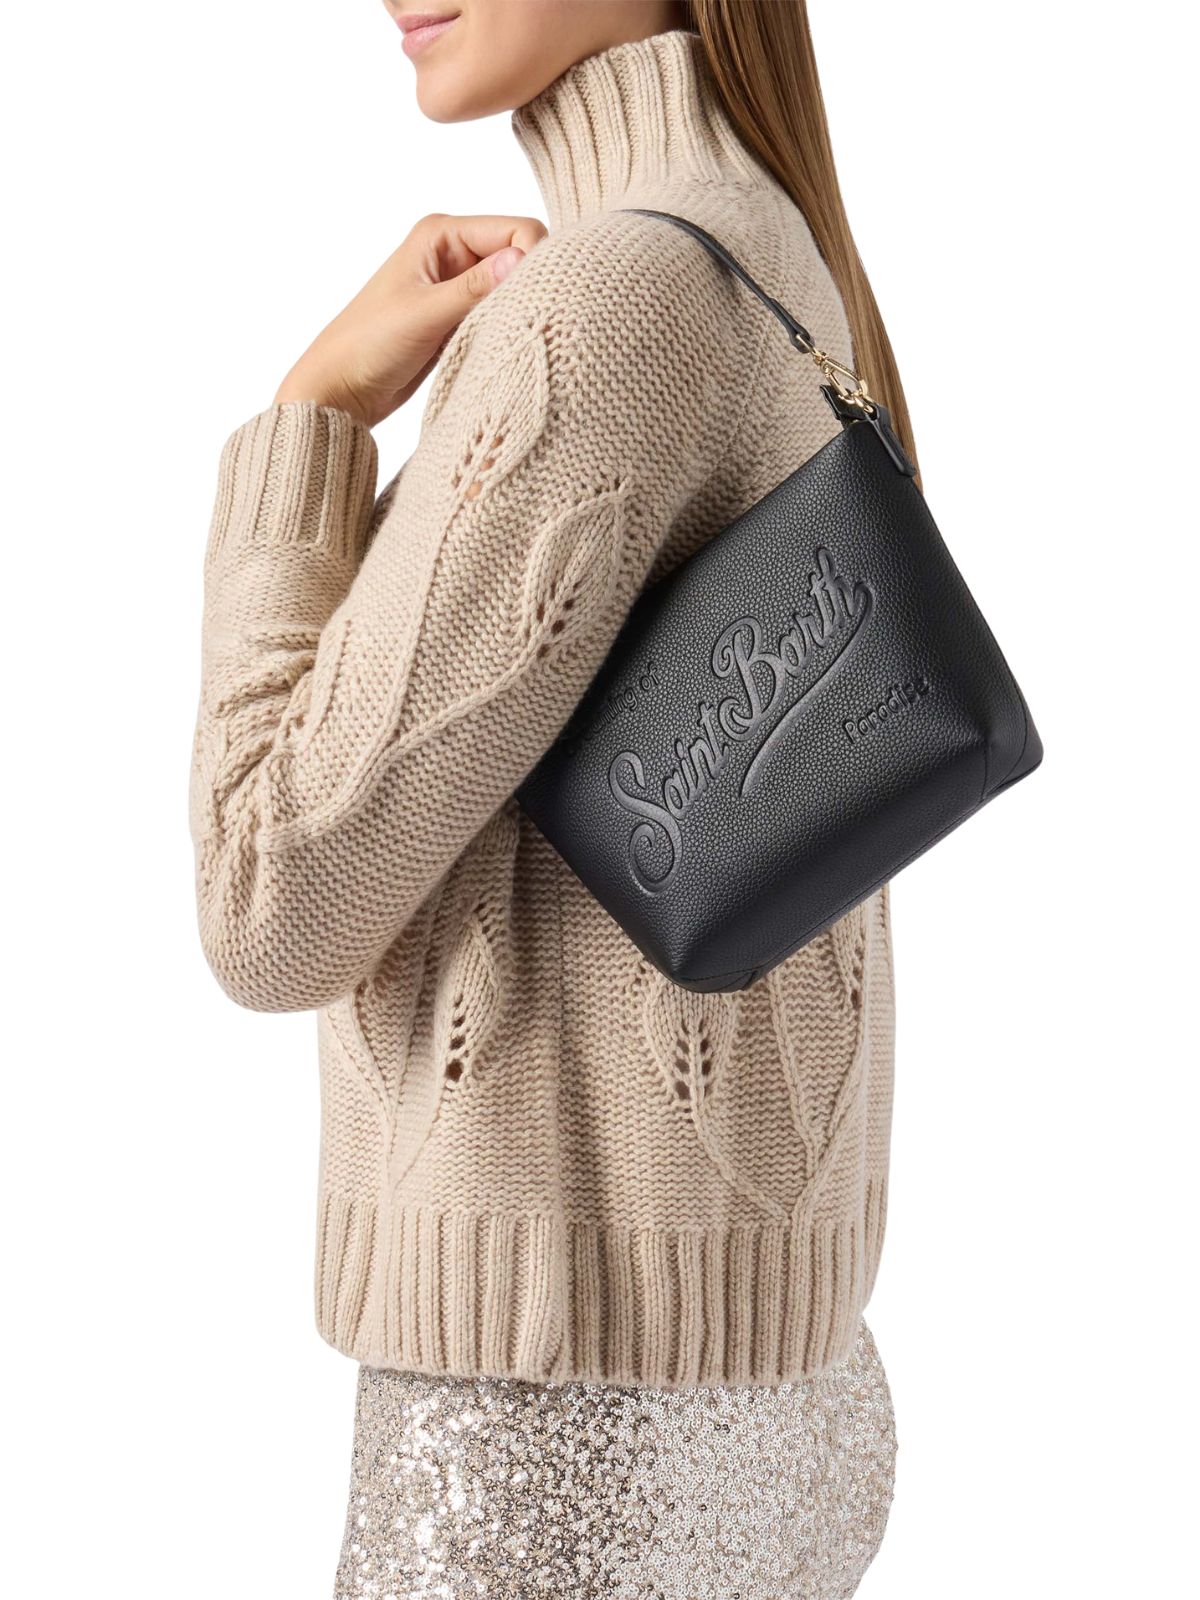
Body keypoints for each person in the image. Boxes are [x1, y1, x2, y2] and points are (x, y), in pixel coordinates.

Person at [189, 3, 916, 1594]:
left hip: (551, 1439)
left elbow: (268, 898)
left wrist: (311, 419)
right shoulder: (766, 239)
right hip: (769, 1399)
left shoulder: (613, 299)